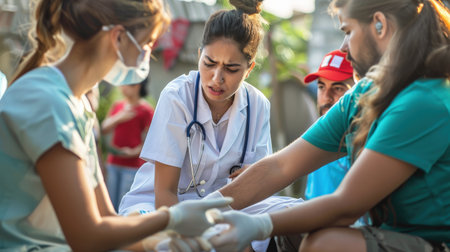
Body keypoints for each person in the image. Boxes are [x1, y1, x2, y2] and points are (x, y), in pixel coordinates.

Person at [205, 0, 450, 251]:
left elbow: (346, 206)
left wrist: (258, 224)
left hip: (436, 244)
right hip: (382, 234)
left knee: (325, 243)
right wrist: (204, 209)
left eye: (348, 31)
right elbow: (280, 167)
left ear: (380, 24)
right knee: (290, 222)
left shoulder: (424, 101)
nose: (343, 48)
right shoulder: (365, 95)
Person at [0, 0, 233, 251]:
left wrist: (159, 242)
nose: (146, 56)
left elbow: (106, 220)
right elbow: (87, 236)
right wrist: (171, 218)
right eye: (145, 44)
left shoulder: (77, 106)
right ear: (119, 37)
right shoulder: (45, 101)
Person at [119, 0, 303, 251]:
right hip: (164, 207)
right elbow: (164, 194)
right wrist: (201, 233)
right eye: (209, 63)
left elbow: (257, 185)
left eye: (231, 68)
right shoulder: (178, 97)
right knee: (160, 240)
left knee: (297, 212)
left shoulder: (258, 105)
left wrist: (252, 177)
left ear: (248, 69)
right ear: (199, 55)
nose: (217, 79)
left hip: (228, 207)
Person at [303, 49, 354, 200]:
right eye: (321, 87)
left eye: (338, 88)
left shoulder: (365, 143)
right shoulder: (316, 134)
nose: (326, 97)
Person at [102, 78, 154, 210]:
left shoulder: (146, 110)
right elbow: (103, 129)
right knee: (109, 204)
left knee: (123, 205)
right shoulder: (118, 106)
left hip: (132, 167)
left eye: (126, 84)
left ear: (137, 85)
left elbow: (151, 140)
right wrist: (119, 117)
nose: (122, 87)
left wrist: (133, 152)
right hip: (113, 163)